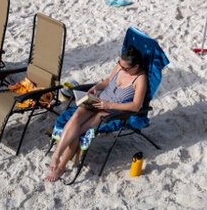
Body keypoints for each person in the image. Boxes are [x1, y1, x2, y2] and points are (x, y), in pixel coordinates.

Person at [46, 45, 149, 182]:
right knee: (76, 117)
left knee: (80, 129)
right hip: (98, 100)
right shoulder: (120, 66)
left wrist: (110, 105)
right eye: (120, 65)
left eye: (125, 68)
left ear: (135, 67)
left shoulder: (140, 79)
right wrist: (96, 87)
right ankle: (56, 156)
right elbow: (107, 81)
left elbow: (136, 106)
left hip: (112, 109)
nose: (121, 69)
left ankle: (61, 166)